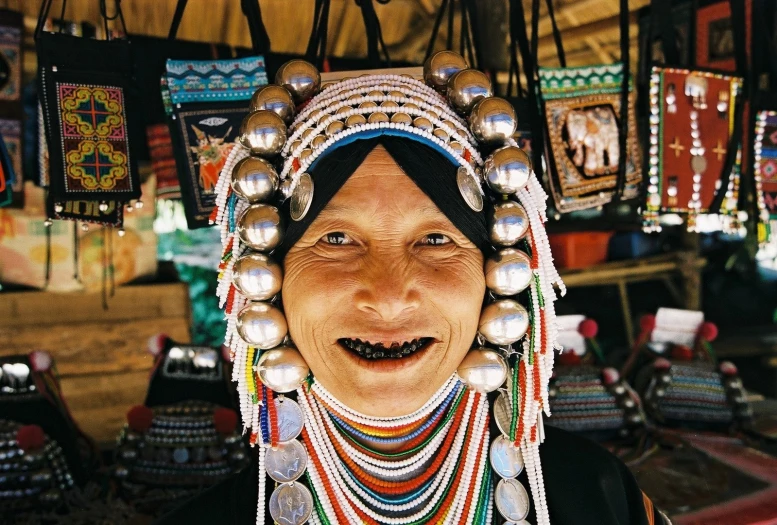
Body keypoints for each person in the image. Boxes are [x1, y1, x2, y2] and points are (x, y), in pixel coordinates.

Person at [156, 52, 670, 525]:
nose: (387, 295)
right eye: (336, 239)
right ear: (268, 278)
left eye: (435, 239)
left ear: (498, 276)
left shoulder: (599, 500)